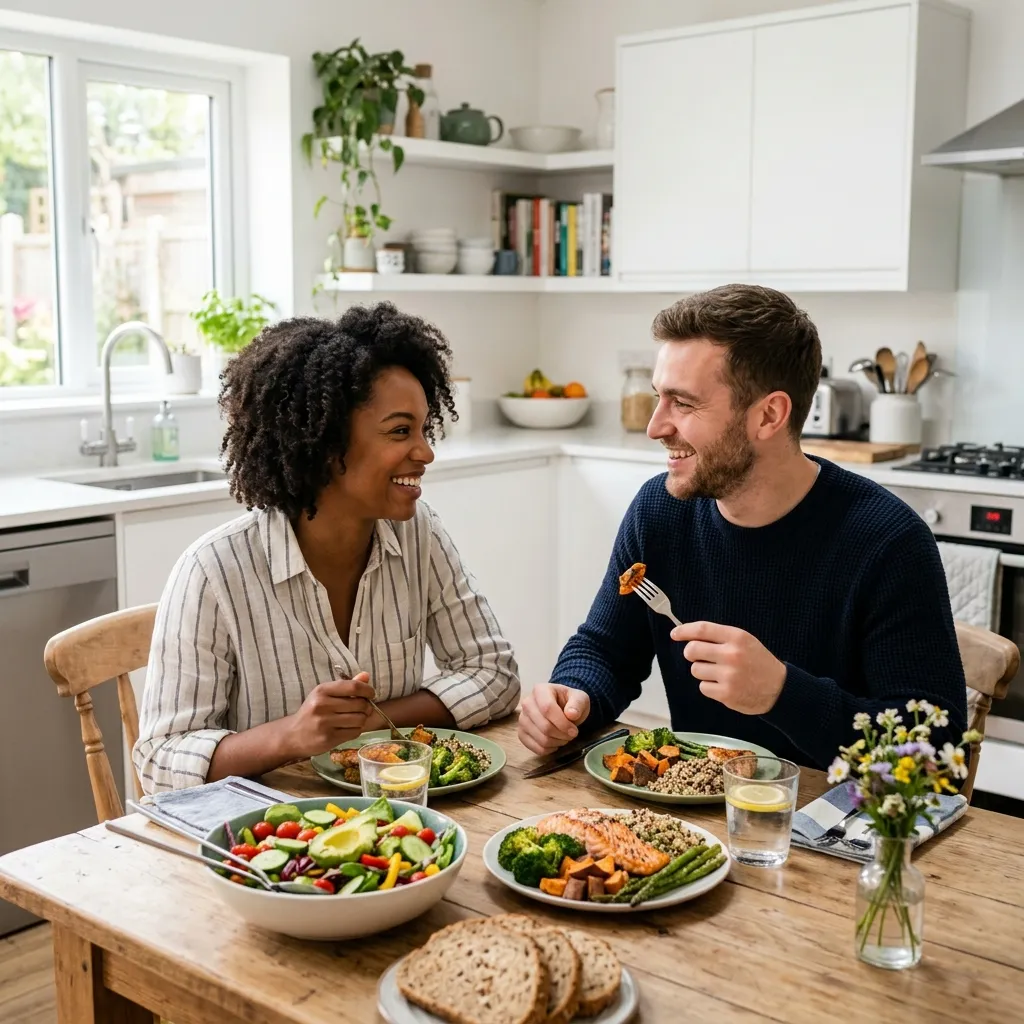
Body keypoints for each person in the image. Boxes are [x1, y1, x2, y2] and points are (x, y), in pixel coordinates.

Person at [518, 284, 967, 769]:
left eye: (683, 403)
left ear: (769, 415)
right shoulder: (659, 511)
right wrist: (572, 696)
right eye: (658, 397)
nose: (655, 426)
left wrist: (781, 692)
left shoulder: (888, 541)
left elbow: (935, 750)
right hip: (696, 817)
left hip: (832, 824)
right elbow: (606, 649)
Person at [134, 302, 520, 792]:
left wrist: (368, 725)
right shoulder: (213, 572)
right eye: (400, 431)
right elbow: (159, 761)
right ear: (325, 444)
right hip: (270, 839)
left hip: (399, 821)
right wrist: (292, 736)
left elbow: (494, 673)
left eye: (424, 430)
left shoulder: (418, 533)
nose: (425, 453)